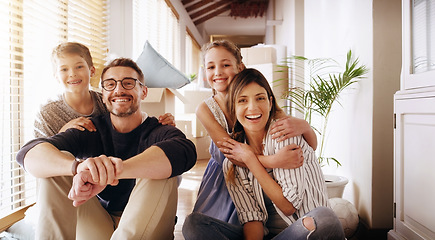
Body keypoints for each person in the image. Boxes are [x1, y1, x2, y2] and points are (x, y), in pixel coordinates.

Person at [16, 57, 197, 240]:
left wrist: (111, 171)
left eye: (128, 83)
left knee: (161, 168)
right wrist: (79, 168)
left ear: (143, 92)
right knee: (55, 166)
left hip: (145, 227)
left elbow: (185, 151)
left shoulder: (158, 129)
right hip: (99, 224)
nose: (118, 90)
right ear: (102, 94)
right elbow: (28, 153)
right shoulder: (91, 129)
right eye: (110, 84)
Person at [184, 68, 344, 240]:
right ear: (233, 108)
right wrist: (247, 158)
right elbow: (253, 219)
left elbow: (289, 206)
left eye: (260, 98)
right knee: (194, 224)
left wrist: (251, 160)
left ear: (270, 102)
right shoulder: (233, 162)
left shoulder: (284, 136)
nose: (252, 107)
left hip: (303, 231)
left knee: (324, 218)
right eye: (242, 100)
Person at [183, 40, 318, 231]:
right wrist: (275, 161)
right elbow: (234, 156)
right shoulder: (205, 109)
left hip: (257, 176)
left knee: (261, 219)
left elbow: (310, 147)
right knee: (211, 226)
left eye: (226, 65)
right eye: (211, 67)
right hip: (227, 176)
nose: (218, 72)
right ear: (205, 72)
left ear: (240, 67)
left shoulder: (258, 98)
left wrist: (305, 127)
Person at [34, 41, 175, 139]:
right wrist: (64, 132)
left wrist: (159, 125)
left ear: (92, 71)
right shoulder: (47, 113)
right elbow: (39, 154)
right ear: (56, 76)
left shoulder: (107, 99)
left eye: (79, 67)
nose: (72, 74)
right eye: (64, 69)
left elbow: (132, 122)